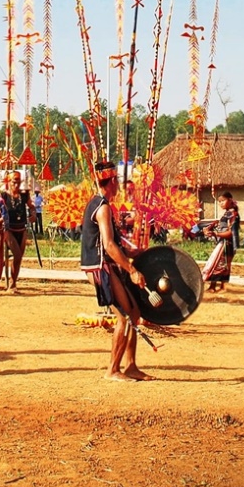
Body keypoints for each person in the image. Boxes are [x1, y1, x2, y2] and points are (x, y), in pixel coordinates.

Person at [81, 160, 151, 381]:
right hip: (100, 267)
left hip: (104, 265)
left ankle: (130, 365)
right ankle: (112, 370)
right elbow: (109, 246)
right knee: (124, 316)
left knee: (135, 313)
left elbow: (115, 244)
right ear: (112, 181)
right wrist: (132, 270)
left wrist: (134, 254)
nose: (119, 185)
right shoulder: (102, 207)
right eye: (117, 181)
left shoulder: (98, 203)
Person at [0, 171, 32, 291]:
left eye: (18, 181)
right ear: (8, 182)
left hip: (22, 229)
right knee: (17, 255)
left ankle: (13, 283)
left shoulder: (24, 195)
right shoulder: (3, 196)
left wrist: (32, 214)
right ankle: (11, 283)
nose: (16, 184)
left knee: (19, 258)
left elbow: (31, 207)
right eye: (14, 181)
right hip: (9, 230)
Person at [202, 191, 240, 293]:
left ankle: (216, 287)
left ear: (230, 200)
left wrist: (215, 234)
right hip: (223, 242)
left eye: (223, 200)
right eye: (219, 201)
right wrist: (211, 226)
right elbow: (221, 225)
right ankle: (219, 286)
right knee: (221, 264)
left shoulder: (233, 215)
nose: (221, 203)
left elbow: (231, 233)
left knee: (220, 264)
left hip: (228, 243)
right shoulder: (228, 213)